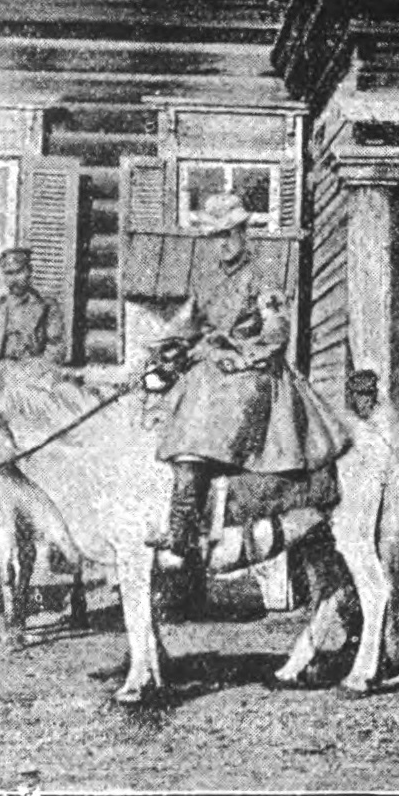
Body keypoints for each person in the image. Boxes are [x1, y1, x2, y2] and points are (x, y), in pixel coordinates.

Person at [148, 194, 290, 573]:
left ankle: (182, 526)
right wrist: (162, 349)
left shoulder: (264, 276)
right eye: (214, 236)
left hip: (251, 373)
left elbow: (276, 333)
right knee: (158, 409)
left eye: (228, 234)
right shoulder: (208, 278)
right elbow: (186, 324)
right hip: (209, 371)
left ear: (244, 232)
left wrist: (241, 356)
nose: (222, 243)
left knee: (198, 420)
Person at [0, 247, 65, 369]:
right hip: (2, 371)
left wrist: (39, 369)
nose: (14, 279)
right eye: (9, 273)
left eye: (19, 272)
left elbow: (56, 347)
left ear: (29, 272)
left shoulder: (47, 307)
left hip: (36, 372)